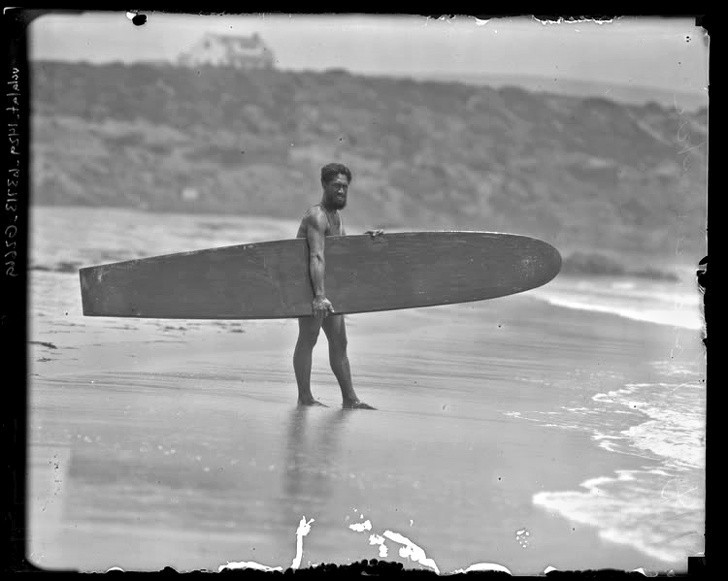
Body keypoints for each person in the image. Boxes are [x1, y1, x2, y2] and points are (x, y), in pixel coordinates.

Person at [293, 163, 379, 409]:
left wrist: (368, 241)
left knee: (340, 343)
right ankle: (305, 397)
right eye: (336, 186)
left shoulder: (336, 217)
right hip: (311, 288)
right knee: (308, 338)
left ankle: (350, 399)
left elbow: (341, 251)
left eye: (345, 187)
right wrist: (319, 296)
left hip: (328, 289)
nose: (341, 191)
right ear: (324, 185)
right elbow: (316, 256)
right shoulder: (316, 217)